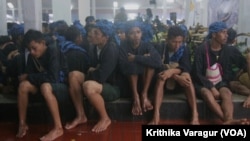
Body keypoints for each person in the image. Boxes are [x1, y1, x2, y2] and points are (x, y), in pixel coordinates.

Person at [192, 21, 249, 124]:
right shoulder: (201, 50)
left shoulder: (229, 50)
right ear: (214, 34)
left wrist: (240, 74)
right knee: (207, 94)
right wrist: (211, 87)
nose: (226, 35)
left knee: (227, 93)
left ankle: (229, 119)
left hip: (221, 82)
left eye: (226, 32)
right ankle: (228, 120)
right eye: (223, 32)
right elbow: (197, 73)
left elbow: (244, 64)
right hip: (202, 83)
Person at [16, 29, 68, 141]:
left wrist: (29, 77)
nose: (32, 52)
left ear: (43, 43)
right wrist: (28, 78)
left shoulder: (53, 51)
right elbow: (29, 75)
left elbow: (53, 77)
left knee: (45, 86)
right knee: (23, 86)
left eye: (34, 48)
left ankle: (58, 128)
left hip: (61, 87)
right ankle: (22, 123)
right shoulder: (31, 57)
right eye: (29, 49)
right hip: (43, 86)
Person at [148, 25, 200, 125]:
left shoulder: (184, 50)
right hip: (163, 84)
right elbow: (158, 66)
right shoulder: (160, 48)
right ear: (167, 40)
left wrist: (172, 72)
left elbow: (186, 67)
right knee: (161, 76)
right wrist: (175, 76)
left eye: (180, 42)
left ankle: (195, 115)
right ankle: (156, 116)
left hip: (179, 85)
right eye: (174, 42)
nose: (177, 45)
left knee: (187, 77)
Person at [81, 19, 120, 133]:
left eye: (96, 33)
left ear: (105, 37)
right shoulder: (94, 47)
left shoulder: (111, 49)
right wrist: (94, 70)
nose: (92, 35)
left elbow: (101, 76)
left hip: (113, 87)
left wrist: (92, 71)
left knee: (88, 86)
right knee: (74, 76)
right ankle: (80, 115)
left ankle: (105, 118)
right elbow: (90, 67)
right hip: (101, 82)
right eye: (93, 32)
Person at [119, 20, 162, 116]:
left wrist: (135, 58)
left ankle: (144, 95)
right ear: (127, 35)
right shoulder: (123, 46)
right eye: (132, 33)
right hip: (129, 85)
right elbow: (123, 66)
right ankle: (135, 97)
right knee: (133, 66)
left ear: (142, 33)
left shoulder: (147, 45)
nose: (136, 35)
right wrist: (145, 58)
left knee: (150, 66)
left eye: (138, 32)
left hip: (146, 82)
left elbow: (158, 62)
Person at [56, 25, 90, 130]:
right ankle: (81, 114)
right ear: (78, 38)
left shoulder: (59, 48)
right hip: (72, 87)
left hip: (58, 83)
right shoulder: (79, 53)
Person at [227, 28, 250, 108]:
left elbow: (244, 65)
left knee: (232, 83)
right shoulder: (232, 49)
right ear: (234, 40)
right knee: (233, 84)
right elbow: (243, 65)